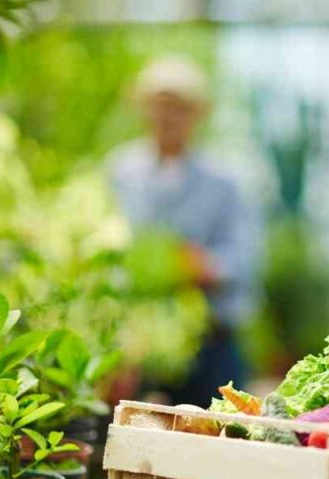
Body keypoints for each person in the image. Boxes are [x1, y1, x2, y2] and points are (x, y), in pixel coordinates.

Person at [107, 55, 263, 407]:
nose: (167, 117)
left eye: (179, 108)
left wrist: (201, 265)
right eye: (159, 106)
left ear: (197, 115)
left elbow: (245, 259)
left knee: (213, 431)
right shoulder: (121, 171)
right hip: (137, 345)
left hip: (211, 344)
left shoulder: (224, 181)